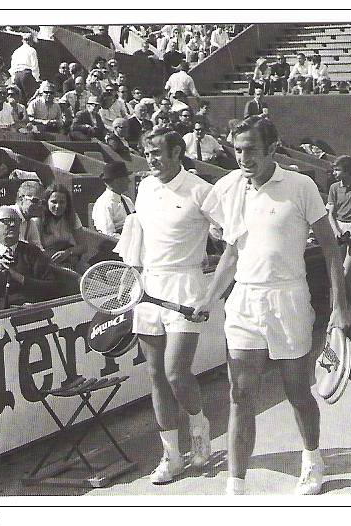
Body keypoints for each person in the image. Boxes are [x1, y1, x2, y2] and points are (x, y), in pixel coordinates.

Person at [197, 116, 351, 495]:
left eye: (251, 149)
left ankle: (312, 460)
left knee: (297, 390)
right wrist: (208, 297)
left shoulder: (301, 186)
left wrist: (340, 306)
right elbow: (232, 252)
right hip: (245, 302)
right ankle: (236, 485)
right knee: (240, 394)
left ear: (272, 149)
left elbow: (331, 249)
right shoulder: (229, 187)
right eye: (238, 150)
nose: (243, 157)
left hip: (289, 299)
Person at [127, 126, 215, 484]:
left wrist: (215, 286)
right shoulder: (145, 187)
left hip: (185, 287)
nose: (152, 161)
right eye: (148, 155)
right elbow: (139, 237)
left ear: (177, 152)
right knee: (156, 376)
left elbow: (232, 236)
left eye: (158, 154)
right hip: (148, 287)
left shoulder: (201, 190)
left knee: (176, 371)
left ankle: (198, 424)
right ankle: (171, 456)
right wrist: (133, 284)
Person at [0, 206, 58, 310]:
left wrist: (20, 278)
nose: (12, 224)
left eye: (16, 221)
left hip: (31, 314)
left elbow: (52, 287)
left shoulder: (32, 252)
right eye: (7, 221)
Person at [326, 155, 351, 303]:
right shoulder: (334, 188)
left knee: (347, 273)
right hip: (338, 228)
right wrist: (337, 231)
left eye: (337, 170)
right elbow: (331, 214)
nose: (334, 173)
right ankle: (336, 308)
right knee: (336, 274)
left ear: (348, 171)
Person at [33, 183, 86, 271]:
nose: (58, 206)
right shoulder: (37, 220)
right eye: (54, 202)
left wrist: (67, 253)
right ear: (46, 202)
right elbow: (36, 250)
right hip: (47, 261)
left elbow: (83, 246)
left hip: (69, 257)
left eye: (62, 202)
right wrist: (56, 257)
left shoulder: (73, 217)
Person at [91, 161, 135, 238]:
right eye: (126, 178)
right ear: (116, 181)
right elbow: (108, 235)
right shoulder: (103, 204)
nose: (129, 181)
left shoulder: (127, 200)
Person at [8, 33, 39, 104]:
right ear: (31, 41)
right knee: (31, 98)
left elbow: (12, 67)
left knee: (20, 100)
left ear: (23, 40)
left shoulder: (16, 51)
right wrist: (36, 79)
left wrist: (13, 79)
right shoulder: (32, 50)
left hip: (17, 76)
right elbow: (34, 66)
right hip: (26, 75)